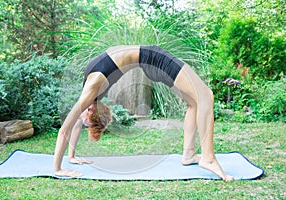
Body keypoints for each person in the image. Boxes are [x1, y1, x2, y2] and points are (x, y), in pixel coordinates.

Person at [53, 45, 234, 181]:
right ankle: (206, 158)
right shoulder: (91, 96)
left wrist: (57, 169)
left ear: (90, 110)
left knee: (199, 100)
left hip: (154, 59)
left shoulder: (91, 90)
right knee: (205, 97)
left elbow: (65, 130)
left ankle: (195, 155)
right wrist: (71, 156)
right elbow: (74, 124)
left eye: (85, 121)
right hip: (150, 60)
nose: (80, 118)